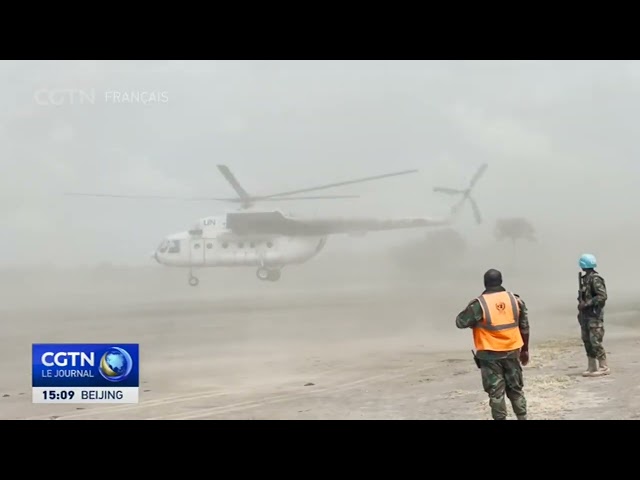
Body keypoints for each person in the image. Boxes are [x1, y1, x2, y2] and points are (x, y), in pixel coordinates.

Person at [456, 268, 530, 420]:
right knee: (516, 389)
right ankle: (522, 417)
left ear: (485, 283)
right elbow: (525, 326)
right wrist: (525, 350)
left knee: (496, 393)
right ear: (501, 281)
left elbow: (460, 322)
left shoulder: (479, 304)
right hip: (512, 351)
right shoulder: (515, 300)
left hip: (489, 355)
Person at [577, 253, 609, 377]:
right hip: (585, 316)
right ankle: (592, 366)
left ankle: (603, 366)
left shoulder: (595, 279)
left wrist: (587, 304)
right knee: (587, 341)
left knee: (595, 341)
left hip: (594, 316)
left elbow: (602, 296)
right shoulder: (585, 279)